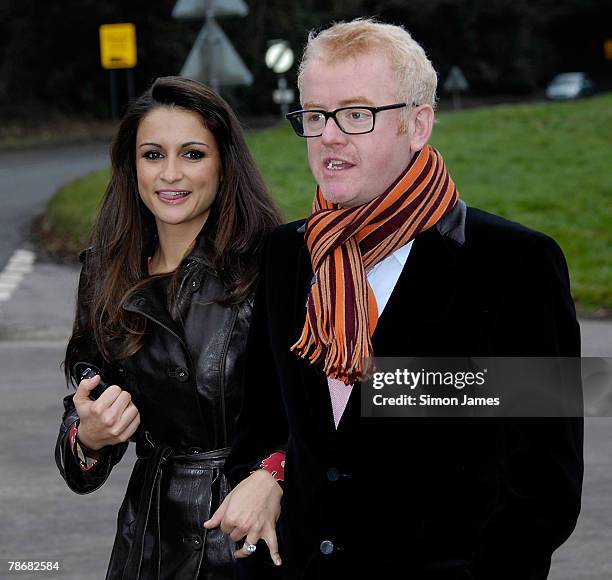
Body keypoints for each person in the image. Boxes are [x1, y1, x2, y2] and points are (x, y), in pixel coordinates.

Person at [204, 18, 584, 580]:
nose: (329, 136)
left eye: (357, 114)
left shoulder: (514, 264)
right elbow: (261, 423)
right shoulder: (288, 255)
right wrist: (266, 472)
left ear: (418, 123)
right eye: (315, 116)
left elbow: (544, 486)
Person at [55, 76, 281, 580]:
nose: (171, 174)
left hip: (250, 539)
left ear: (225, 163)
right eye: (153, 154)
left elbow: (334, 407)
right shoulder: (106, 271)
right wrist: (88, 436)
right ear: (131, 165)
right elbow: (81, 438)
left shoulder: (276, 264)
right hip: (148, 545)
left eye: (194, 154)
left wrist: (276, 473)